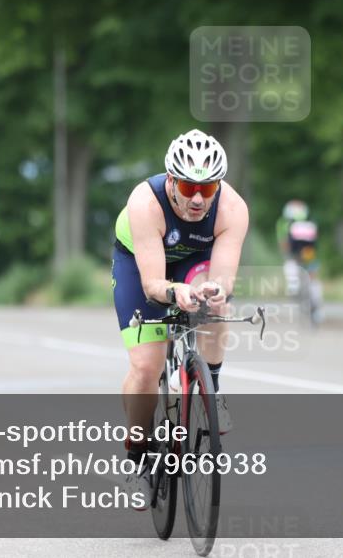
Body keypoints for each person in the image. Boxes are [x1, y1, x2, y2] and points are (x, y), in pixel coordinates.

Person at [112, 129, 249, 508]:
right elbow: (154, 282)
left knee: (218, 301)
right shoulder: (145, 202)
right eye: (189, 187)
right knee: (145, 366)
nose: (197, 199)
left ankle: (212, 388)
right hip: (143, 263)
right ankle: (138, 456)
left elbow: (223, 278)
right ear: (171, 180)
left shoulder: (232, 209)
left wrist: (211, 293)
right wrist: (175, 292)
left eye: (208, 189)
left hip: (193, 262)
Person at [275, 200, 323, 324]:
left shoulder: (285, 224)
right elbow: (314, 246)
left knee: (292, 268)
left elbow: (284, 245)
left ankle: (296, 289)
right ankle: (315, 307)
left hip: (297, 257)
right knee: (313, 280)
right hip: (308, 257)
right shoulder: (311, 224)